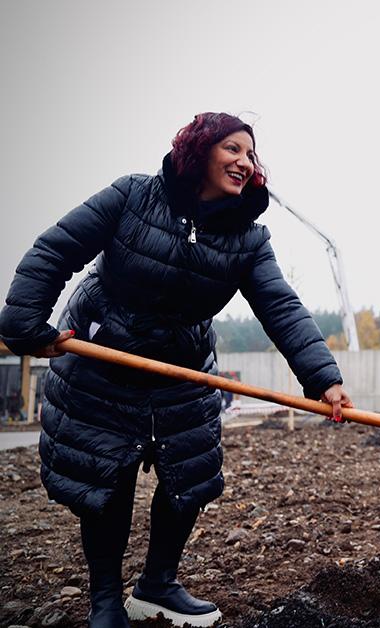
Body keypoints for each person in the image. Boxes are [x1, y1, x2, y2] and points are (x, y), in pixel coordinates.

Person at [0, 112, 351, 628]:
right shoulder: (132, 196)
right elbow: (57, 249)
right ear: (200, 150)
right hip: (103, 357)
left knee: (189, 475)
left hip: (182, 368)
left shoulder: (249, 239)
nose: (244, 161)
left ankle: (158, 584)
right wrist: (25, 322)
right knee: (107, 478)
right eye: (233, 148)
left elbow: (281, 306)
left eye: (251, 154)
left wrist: (325, 378)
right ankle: (105, 601)